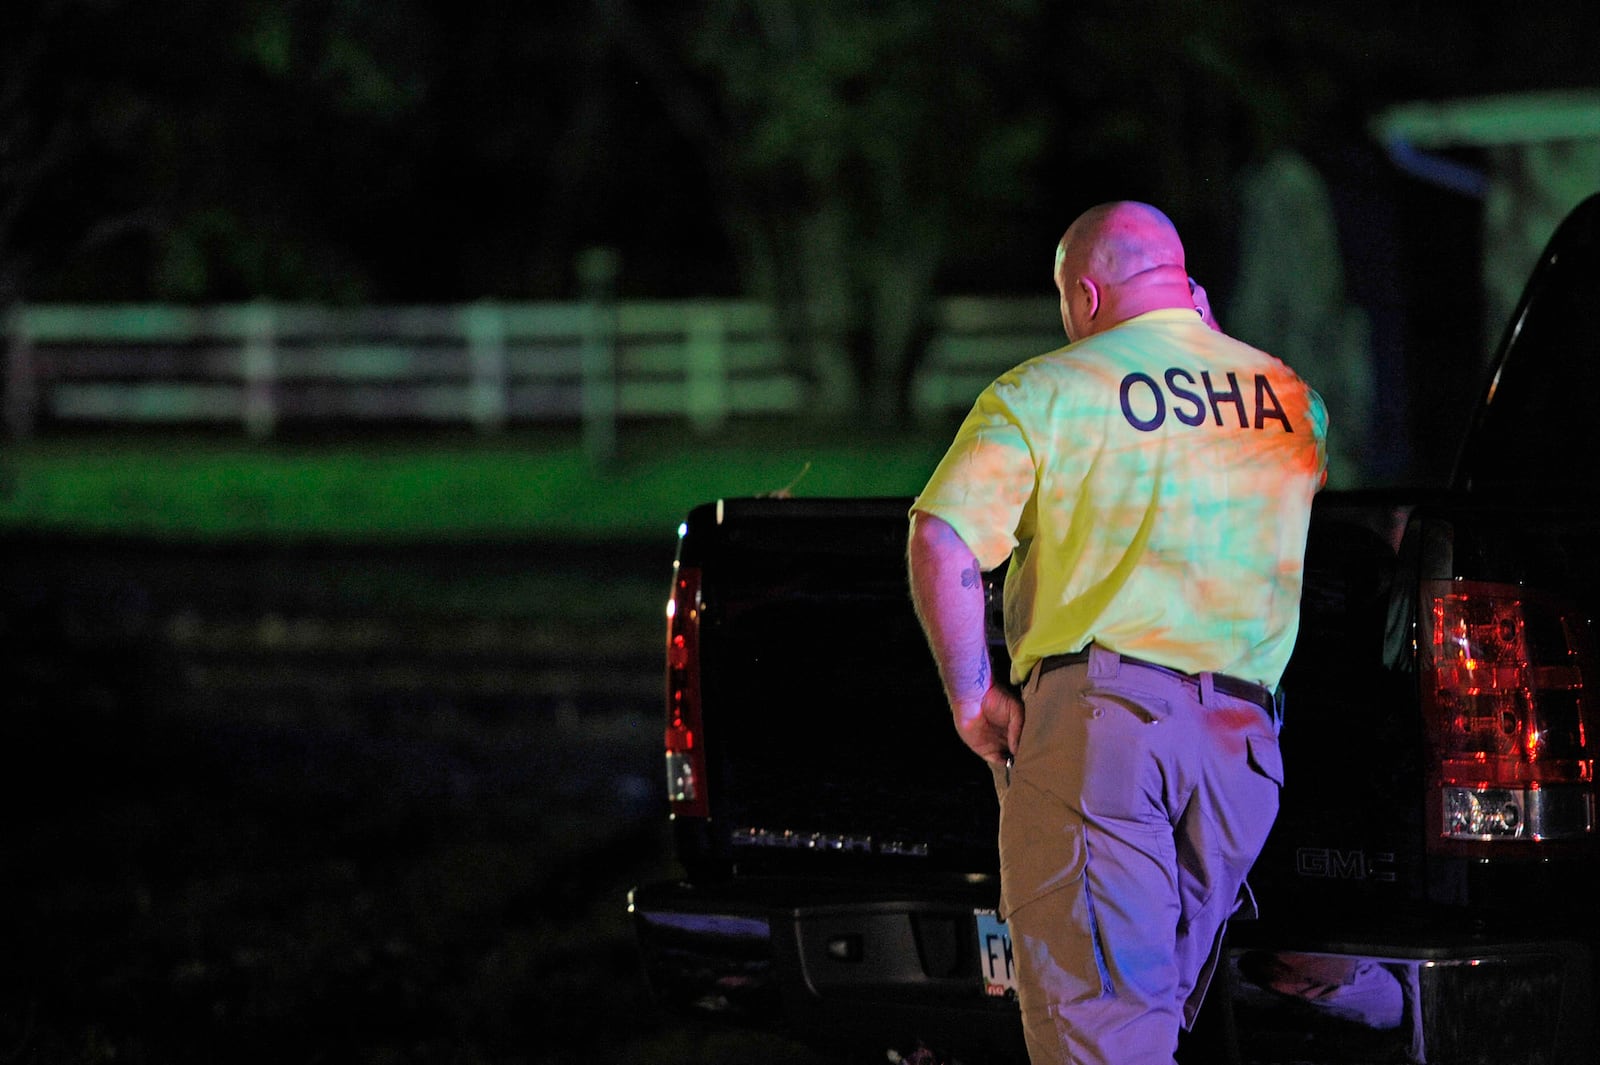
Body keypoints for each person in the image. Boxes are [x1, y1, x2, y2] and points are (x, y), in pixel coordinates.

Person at [907, 201, 1329, 1064]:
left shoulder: (1048, 392)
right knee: (1150, 1025)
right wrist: (1205, 337)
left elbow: (941, 536)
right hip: (1242, 757)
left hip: (1106, 741)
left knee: (1101, 1037)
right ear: (1185, 287)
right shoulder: (1292, 400)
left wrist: (970, 694)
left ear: (1087, 296)